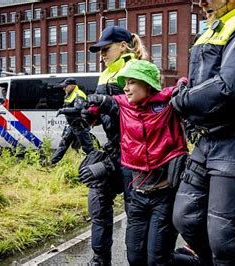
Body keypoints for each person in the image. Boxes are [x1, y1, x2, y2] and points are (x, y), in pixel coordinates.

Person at [169, 0, 235, 264]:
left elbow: (230, 85)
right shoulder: (211, 29)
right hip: (207, 137)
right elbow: (200, 82)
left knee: (223, 235)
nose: (201, 1)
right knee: (185, 217)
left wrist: (181, 101)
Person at [85, 60, 188, 265]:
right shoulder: (123, 104)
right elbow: (104, 104)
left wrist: (184, 85)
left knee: (157, 260)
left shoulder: (167, 102)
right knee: (135, 257)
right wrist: (89, 111)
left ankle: (195, 260)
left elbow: (184, 84)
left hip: (164, 195)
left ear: (146, 84)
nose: (126, 87)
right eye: (125, 83)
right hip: (137, 196)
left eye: (131, 82)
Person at [81, 26, 149, 265]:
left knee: (136, 212)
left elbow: (140, 111)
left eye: (105, 49)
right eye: (98, 51)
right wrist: (86, 115)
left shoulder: (137, 69)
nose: (101, 55)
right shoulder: (104, 74)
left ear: (122, 46)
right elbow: (100, 114)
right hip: (114, 149)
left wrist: (107, 103)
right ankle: (100, 259)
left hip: (137, 152)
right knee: (97, 199)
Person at [50, 78, 94, 165]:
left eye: (65, 86)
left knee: (88, 148)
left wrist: (63, 110)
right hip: (72, 125)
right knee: (63, 144)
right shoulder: (69, 94)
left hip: (80, 126)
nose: (63, 88)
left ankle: (94, 164)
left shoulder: (79, 94)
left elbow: (78, 109)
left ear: (71, 86)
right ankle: (52, 163)